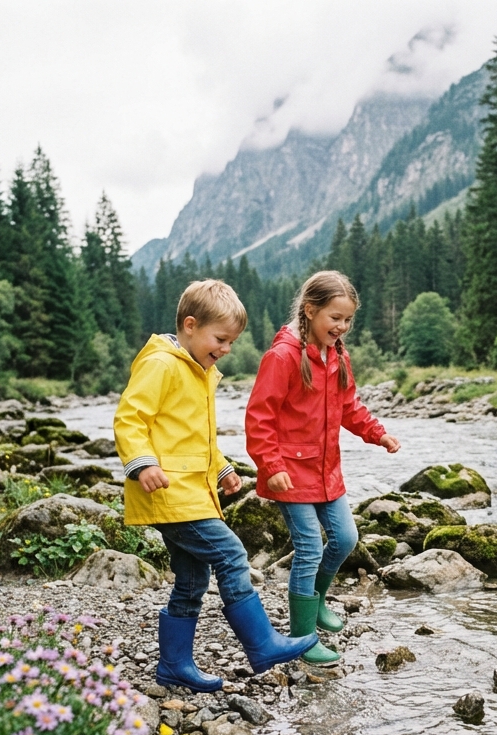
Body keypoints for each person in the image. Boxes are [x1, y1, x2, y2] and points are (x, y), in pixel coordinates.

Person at [114, 279, 318, 693]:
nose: (226, 349)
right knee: (231, 554)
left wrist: (221, 468)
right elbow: (130, 418)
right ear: (190, 326)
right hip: (170, 492)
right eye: (220, 339)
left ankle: (174, 666)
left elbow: (193, 437)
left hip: (192, 491)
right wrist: (141, 464)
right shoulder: (162, 364)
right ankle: (262, 644)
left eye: (231, 342)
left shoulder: (198, 369)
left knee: (191, 581)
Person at [245, 270, 401, 665]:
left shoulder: (338, 355)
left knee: (346, 539)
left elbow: (350, 407)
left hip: (326, 469)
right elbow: (259, 417)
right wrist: (271, 464)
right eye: (335, 318)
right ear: (310, 310)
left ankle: (314, 602)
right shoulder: (282, 356)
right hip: (288, 472)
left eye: (348, 319)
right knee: (310, 547)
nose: (342, 326)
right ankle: (302, 638)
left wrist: (377, 433)